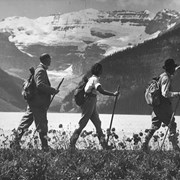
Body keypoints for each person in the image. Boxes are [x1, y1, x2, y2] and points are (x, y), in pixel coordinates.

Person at [11, 53, 59, 151]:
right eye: (49, 59)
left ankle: (14, 143)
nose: (50, 61)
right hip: (38, 104)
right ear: (45, 60)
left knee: (25, 123)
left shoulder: (39, 70)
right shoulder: (41, 70)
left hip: (34, 103)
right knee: (42, 124)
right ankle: (45, 147)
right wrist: (52, 90)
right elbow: (40, 85)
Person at [69, 63, 119, 150]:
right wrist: (113, 94)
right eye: (101, 70)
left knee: (98, 124)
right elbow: (100, 90)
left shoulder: (91, 78)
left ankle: (104, 145)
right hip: (89, 102)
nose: (102, 71)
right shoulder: (95, 79)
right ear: (99, 70)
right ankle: (72, 143)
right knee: (83, 123)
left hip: (90, 101)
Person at [142, 58, 180, 151]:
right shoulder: (166, 78)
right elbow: (165, 93)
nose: (174, 71)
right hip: (163, 106)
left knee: (154, 126)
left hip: (157, 106)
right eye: (173, 68)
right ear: (170, 68)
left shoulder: (162, 76)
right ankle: (175, 147)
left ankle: (144, 144)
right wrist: (177, 94)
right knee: (172, 124)